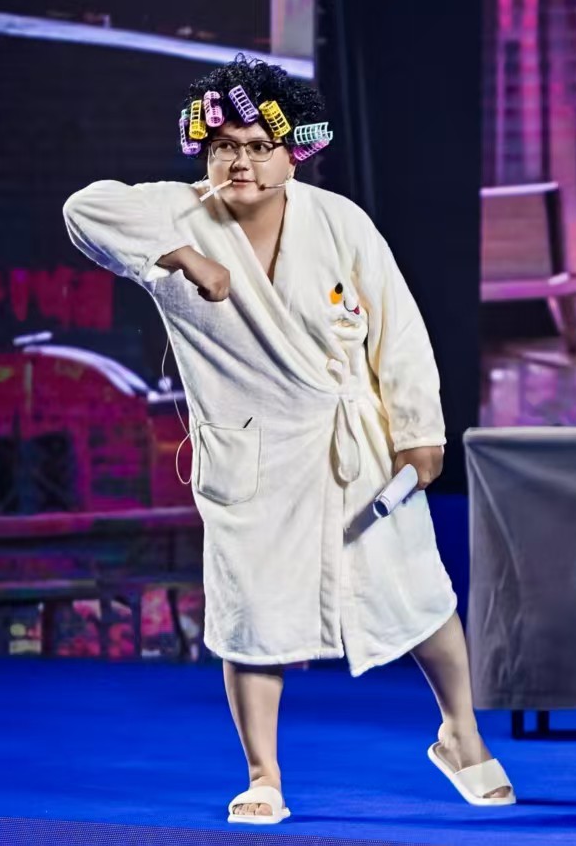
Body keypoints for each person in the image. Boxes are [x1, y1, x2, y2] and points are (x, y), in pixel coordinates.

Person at [63, 57, 514, 826]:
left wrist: (419, 431)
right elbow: (84, 210)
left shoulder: (339, 221)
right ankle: (263, 773)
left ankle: (460, 732)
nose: (239, 162)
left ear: (293, 151)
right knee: (254, 612)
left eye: (257, 146)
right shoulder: (176, 214)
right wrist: (182, 256)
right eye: (223, 147)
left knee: (417, 594)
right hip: (252, 452)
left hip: (353, 445)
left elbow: (399, 330)